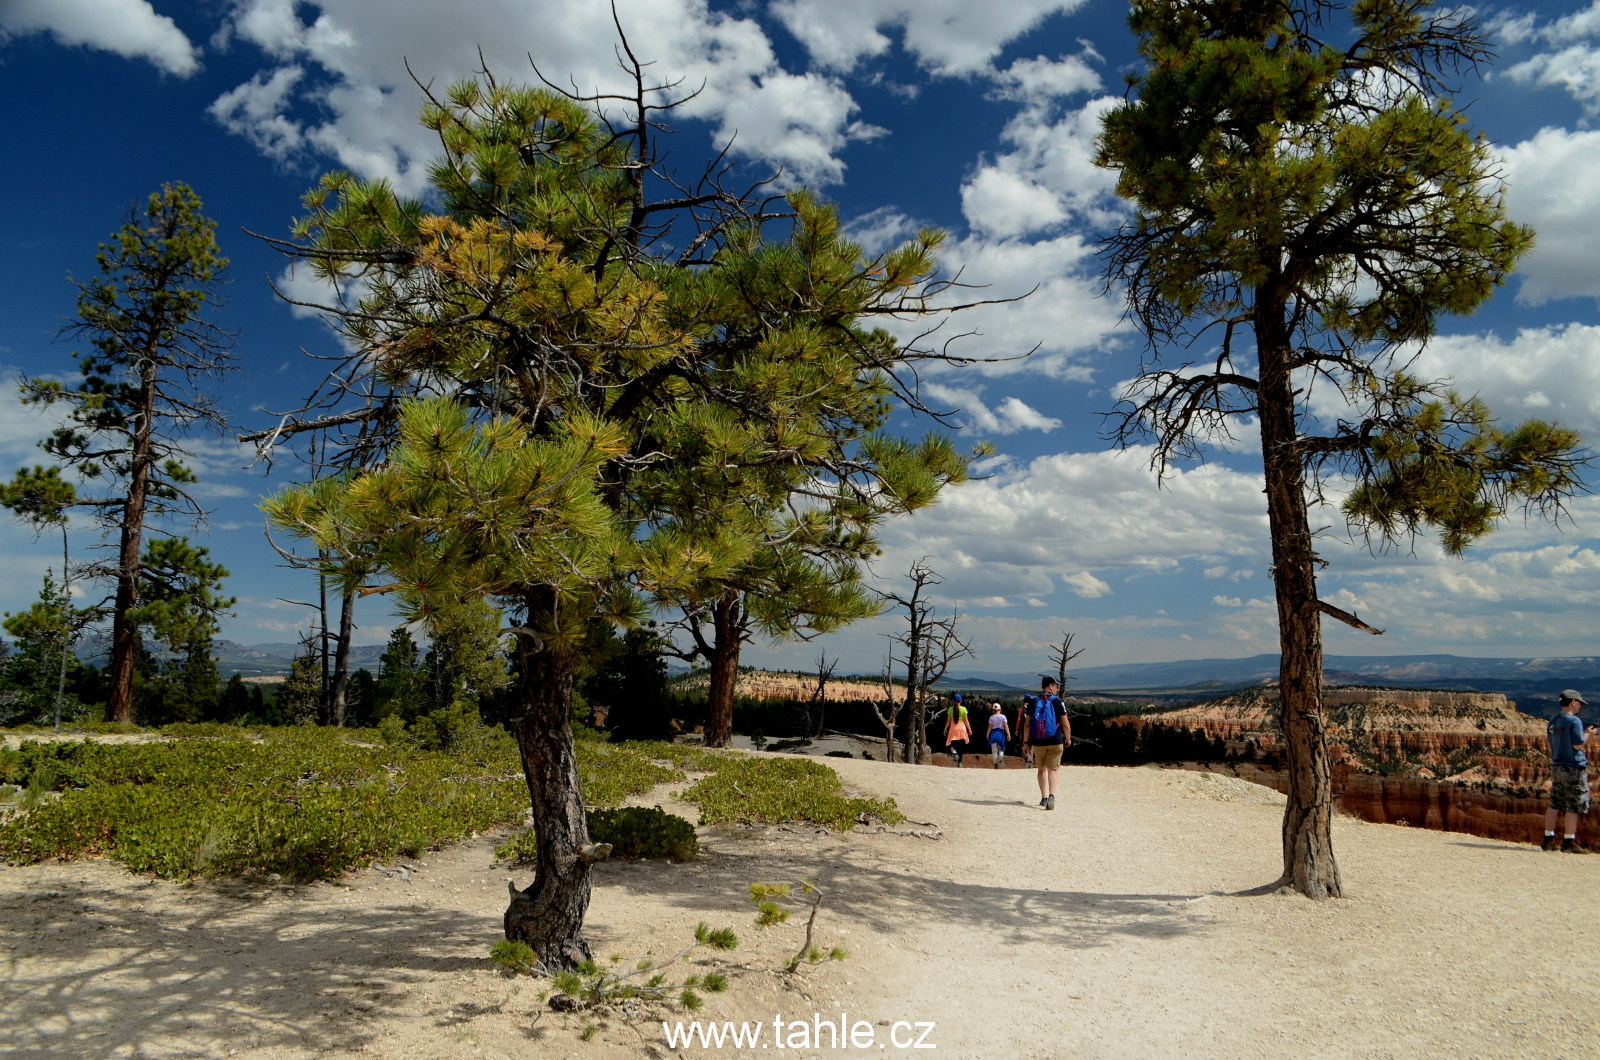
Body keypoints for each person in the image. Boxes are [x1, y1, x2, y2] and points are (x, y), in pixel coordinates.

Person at [1543, 689, 1596, 853]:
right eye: (1579, 703)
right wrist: (1589, 734)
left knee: (1555, 803)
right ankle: (1569, 841)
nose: (1580, 706)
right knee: (1574, 805)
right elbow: (1578, 744)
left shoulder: (1553, 720)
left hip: (1557, 765)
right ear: (1573, 702)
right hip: (1573, 766)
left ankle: (1548, 839)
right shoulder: (1574, 721)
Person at [1027, 678, 1070, 809]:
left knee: (1041, 769)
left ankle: (1044, 798)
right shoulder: (1057, 701)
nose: (1057, 688)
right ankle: (1052, 795)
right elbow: (1066, 723)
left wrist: (1026, 742)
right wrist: (1067, 738)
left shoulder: (1033, 701)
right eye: (1056, 686)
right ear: (1050, 686)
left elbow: (1027, 724)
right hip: (1055, 739)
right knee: (1053, 770)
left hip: (1038, 741)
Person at [943, 693, 972, 767]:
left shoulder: (950, 709)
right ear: (960, 701)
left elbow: (948, 721)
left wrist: (945, 729)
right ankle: (960, 763)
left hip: (953, 729)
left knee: (952, 745)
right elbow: (966, 721)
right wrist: (969, 729)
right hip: (962, 729)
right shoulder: (964, 709)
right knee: (961, 747)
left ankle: (955, 754)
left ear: (953, 701)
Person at [986, 702, 1009, 769]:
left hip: (993, 735)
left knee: (994, 750)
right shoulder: (1003, 717)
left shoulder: (991, 717)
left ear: (993, 710)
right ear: (1000, 709)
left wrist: (987, 734)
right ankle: (1001, 756)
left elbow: (990, 727)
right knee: (1001, 748)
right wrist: (1008, 734)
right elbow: (1006, 726)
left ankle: (995, 764)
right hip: (1001, 734)